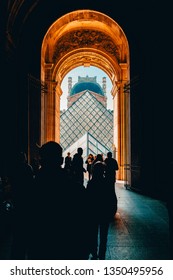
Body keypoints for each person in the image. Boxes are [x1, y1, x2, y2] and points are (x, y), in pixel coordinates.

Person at [27, 141, 89, 260]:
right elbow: (85, 222)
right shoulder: (76, 189)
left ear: (40, 161)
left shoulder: (31, 189)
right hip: (69, 251)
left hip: (40, 251)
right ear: (61, 161)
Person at [86, 161, 115, 260]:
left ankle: (94, 253)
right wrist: (112, 212)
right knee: (104, 236)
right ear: (103, 171)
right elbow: (112, 198)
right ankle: (102, 254)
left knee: (92, 234)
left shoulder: (91, 183)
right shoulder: (108, 183)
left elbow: (87, 199)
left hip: (93, 213)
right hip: (104, 213)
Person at [9, 151, 34, 259]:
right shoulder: (28, 168)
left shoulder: (13, 169)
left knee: (17, 239)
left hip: (17, 201)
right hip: (27, 203)